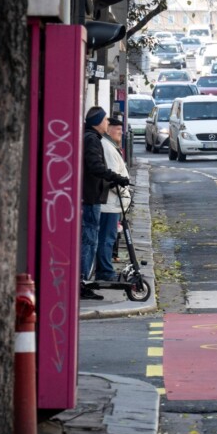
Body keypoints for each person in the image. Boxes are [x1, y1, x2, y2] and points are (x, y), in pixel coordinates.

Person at [81, 107, 130, 300]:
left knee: (92, 239)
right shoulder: (93, 139)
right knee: (91, 240)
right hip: (94, 198)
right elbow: (97, 167)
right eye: (105, 121)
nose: (107, 124)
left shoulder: (93, 138)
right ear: (98, 122)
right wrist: (115, 178)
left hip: (95, 197)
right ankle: (83, 282)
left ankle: (85, 279)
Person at [96, 117, 132, 282]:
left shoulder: (110, 146)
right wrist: (123, 190)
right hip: (110, 204)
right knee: (107, 238)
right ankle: (104, 270)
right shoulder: (107, 147)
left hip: (113, 204)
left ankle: (105, 268)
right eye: (118, 129)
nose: (121, 133)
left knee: (108, 237)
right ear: (109, 129)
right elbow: (111, 176)